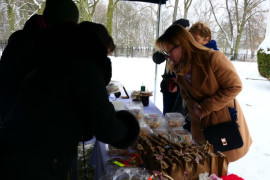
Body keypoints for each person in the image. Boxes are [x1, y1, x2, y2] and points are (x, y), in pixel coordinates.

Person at [0, 1, 139, 179]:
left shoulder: (43, 50)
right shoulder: (84, 60)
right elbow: (107, 128)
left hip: (14, 144)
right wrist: (129, 127)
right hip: (39, 160)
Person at [155, 24, 252, 162]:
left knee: (220, 164)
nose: (168, 57)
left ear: (183, 44)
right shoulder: (180, 67)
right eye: (165, 53)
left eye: (169, 51)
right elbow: (185, 94)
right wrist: (192, 105)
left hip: (222, 123)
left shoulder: (213, 58)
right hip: (200, 126)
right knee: (204, 164)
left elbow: (235, 86)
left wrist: (206, 106)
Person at [152, 18, 190, 116]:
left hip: (183, 85)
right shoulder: (169, 45)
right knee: (168, 114)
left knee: (179, 116)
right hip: (170, 84)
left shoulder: (188, 48)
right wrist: (167, 52)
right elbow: (156, 58)